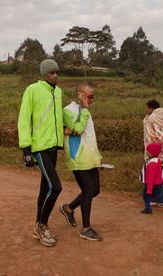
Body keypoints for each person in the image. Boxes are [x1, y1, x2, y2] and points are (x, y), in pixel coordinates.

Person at [17, 59, 64, 247]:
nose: (55, 76)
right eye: (51, 73)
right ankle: (42, 225)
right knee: (56, 187)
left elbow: (59, 116)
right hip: (39, 148)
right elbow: (23, 119)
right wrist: (26, 150)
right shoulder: (33, 90)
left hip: (53, 147)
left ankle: (38, 225)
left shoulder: (58, 92)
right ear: (44, 74)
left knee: (45, 188)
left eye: (56, 72)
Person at [59, 83, 103, 241]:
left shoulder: (86, 112)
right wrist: (84, 109)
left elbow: (89, 136)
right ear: (80, 95)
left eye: (93, 97)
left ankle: (68, 208)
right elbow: (78, 129)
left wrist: (97, 157)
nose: (91, 100)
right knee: (88, 191)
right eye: (89, 97)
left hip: (90, 158)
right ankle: (86, 228)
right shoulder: (68, 111)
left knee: (95, 190)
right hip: (78, 157)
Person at [140, 143, 163, 216]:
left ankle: (147, 208)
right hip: (158, 184)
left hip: (152, 184)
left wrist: (149, 189)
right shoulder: (157, 160)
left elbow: (151, 177)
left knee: (146, 196)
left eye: (148, 152)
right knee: (162, 197)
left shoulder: (152, 163)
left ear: (152, 153)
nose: (147, 153)